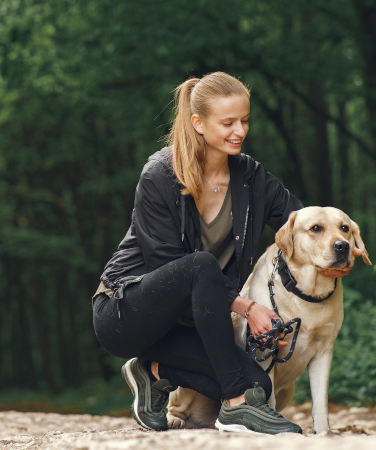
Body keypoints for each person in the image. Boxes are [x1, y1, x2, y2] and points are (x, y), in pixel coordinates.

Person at [91, 72, 356, 434]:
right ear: (197, 123)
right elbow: (169, 267)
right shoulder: (160, 175)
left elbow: (302, 225)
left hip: (191, 327)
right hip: (127, 312)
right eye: (228, 122)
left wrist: (331, 254)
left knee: (259, 387)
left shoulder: (252, 177)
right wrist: (248, 307)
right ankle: (234, 408)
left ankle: (152, 372)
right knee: (201, 266)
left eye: (245, 120)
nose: (240, 131)